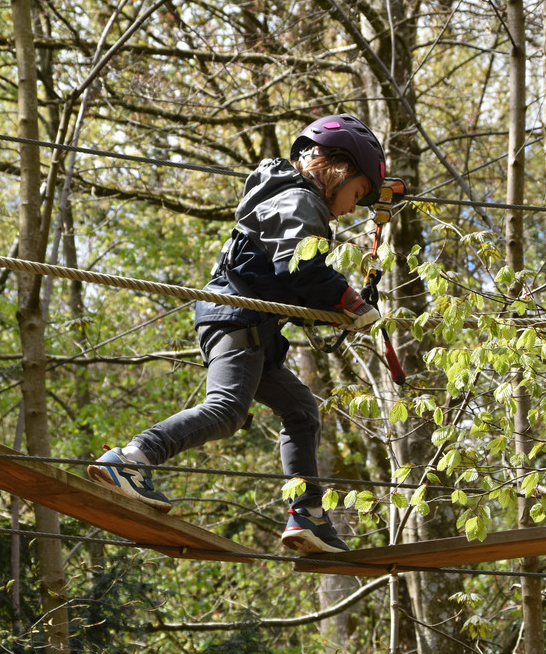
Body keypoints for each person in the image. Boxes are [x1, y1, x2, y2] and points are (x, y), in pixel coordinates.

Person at [88, 114, 388, 555]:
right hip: (236, 317)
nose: (351, 209)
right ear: (338, 170)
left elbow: (288, 282)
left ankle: (307, 513)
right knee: (228, 409)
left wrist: (333, 309)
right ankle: (131, 459)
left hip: (253, 327)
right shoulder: (299, 201)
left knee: (302, 410)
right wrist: (348, 300)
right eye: (358, 193)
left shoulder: (292, 200)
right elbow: (301, 268)